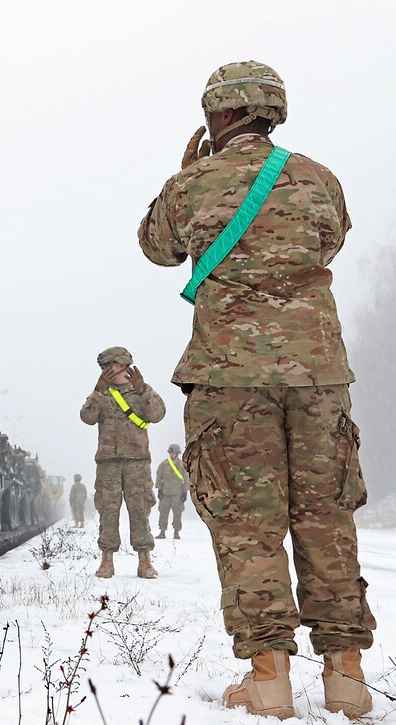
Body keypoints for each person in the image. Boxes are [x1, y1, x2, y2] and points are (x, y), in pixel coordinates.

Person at [137, 61, 375, 719]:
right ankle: (346, 677)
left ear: (219, 115)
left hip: (230, 376)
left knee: (249, 523)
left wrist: (184, 174)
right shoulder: (319, 178)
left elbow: (156, 247)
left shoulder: (195, 183)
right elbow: (334, 238)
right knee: (328, 515)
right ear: (272, 111)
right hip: (318, 371)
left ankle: (268, 676)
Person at [79, 346, 165, 579]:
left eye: (109, 365)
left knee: (140, 509)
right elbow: (87, 418)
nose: (106, 369)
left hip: (137, 461)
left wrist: (143, 389)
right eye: (103, 367)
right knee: (108, 510)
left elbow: (157, 415)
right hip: (108, 462)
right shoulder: (102, 393)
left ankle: (145, 561)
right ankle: (107, 561)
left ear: (122, 364)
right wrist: (98, 391)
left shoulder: (140, 391)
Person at [154, 444, 188, 539]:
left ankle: (176, 532)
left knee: (177, 513)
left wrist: (185, 492)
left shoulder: (182, 465)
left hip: (177, 493)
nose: (172, 454)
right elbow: (158, 476)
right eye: (171, 452)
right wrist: (159, 489)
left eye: (174, 453)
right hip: (165, 493)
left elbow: (186, 479)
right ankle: (162, 531)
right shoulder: (163, 464)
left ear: (177, 454)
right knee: (163, 512)